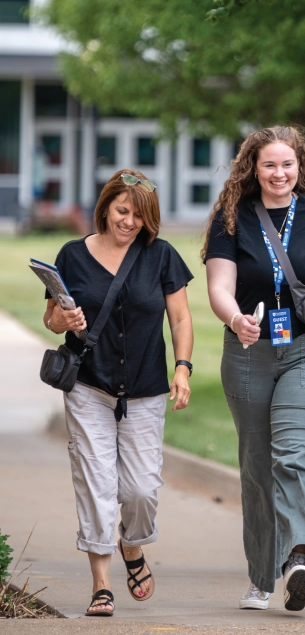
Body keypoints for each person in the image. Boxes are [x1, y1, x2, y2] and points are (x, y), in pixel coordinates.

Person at [203, 125, 305, 612]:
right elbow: (219, 285)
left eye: (288, 164)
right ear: (253, 168)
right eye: (269, 164)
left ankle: (298, 557)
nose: (280, 173)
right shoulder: (231, 218)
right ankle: (260, 577)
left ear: (301, 167)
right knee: (257, 465)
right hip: (248, 352)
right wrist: (235, 318)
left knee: (295, 456)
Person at [43, 169, 194, 617]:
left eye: (139, 216)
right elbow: (51, 318)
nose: (129, 222)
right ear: (106, 206)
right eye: (122, 211)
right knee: (96, 484)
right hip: (89, 385)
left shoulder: (161, 256)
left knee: (141, 491)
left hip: (146, 388)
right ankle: (101, 585)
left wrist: (182, 368)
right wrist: (63, 323)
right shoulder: (72, 255)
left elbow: (181, 320)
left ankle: (133, 545)